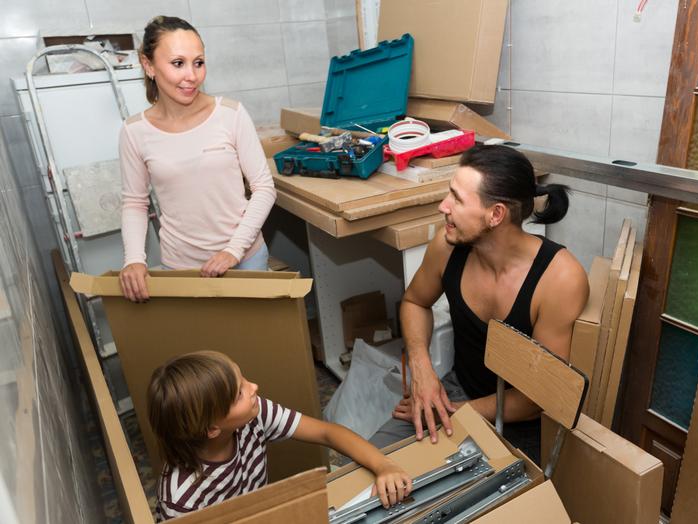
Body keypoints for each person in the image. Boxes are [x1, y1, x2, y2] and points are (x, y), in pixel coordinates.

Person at [370, 145, 589, 465]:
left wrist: (455, 412)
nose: (443, 206)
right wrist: (422, 370)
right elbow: (415, 301)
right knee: (367, 470)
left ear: (495, 214)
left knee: (462, 503)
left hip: (522, 421)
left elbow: (536, 398)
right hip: (459, 391)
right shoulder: (447, 246)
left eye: (457, 199)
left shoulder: (560, 279)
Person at [118, 16, 276, 302]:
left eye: (198, 62)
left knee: (254, 346)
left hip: (245, 260)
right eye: (178, 63)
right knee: (204, 347)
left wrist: (233, 251)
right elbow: (134, 203)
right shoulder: (134, 131)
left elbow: (264, 187)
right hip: (182, 270)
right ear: (148, 65)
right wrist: (134, 259)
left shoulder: (231, 114)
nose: (192, 75)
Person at [148, 351, 412, 521]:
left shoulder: (254, 413)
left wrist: (384, 465)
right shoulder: (181, 500)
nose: (254, 387)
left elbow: (327, 432)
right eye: (240, 393)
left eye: (244, 380)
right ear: (212, 429)